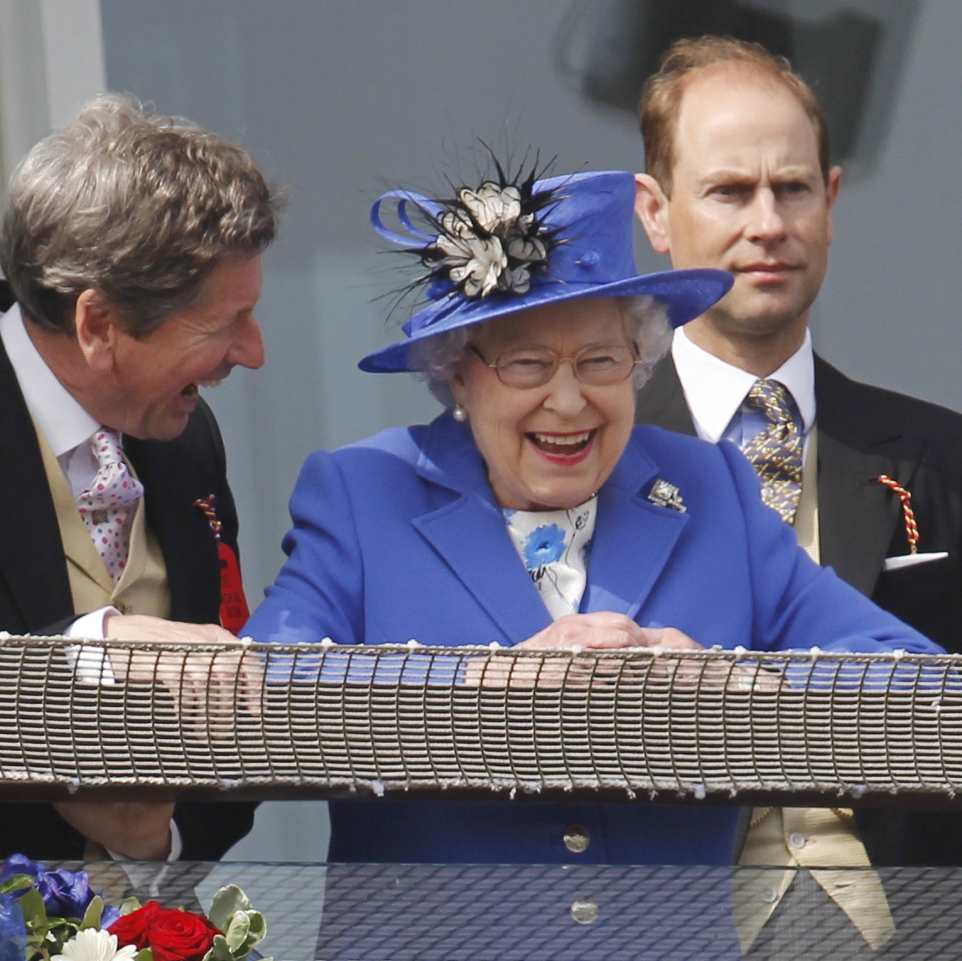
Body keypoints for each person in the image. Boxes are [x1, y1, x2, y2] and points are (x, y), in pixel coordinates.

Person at [244, 163, 940, 867]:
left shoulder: (710, 491)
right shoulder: (367, 493)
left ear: (639, 360)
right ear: (457, 371)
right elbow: (262, 689)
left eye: (601, 360)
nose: (570, 401)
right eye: (527, 365)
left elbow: (919, 685)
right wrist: (480, 687)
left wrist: (735, 687)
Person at [630, 34, 962, 961]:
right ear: (656, 212)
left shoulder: (943, 455)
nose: (768, 222)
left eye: (794, 189)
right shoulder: (585, 452)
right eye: (730, 191)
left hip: (920, 947)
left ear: (833, 202)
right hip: (652, 952)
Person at [0, 94, 280, 861]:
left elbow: (234, 700)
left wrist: (159, 839)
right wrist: (100, 642)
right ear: (97, 325)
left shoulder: (187, 437)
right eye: (223, 323)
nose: (252, 353)